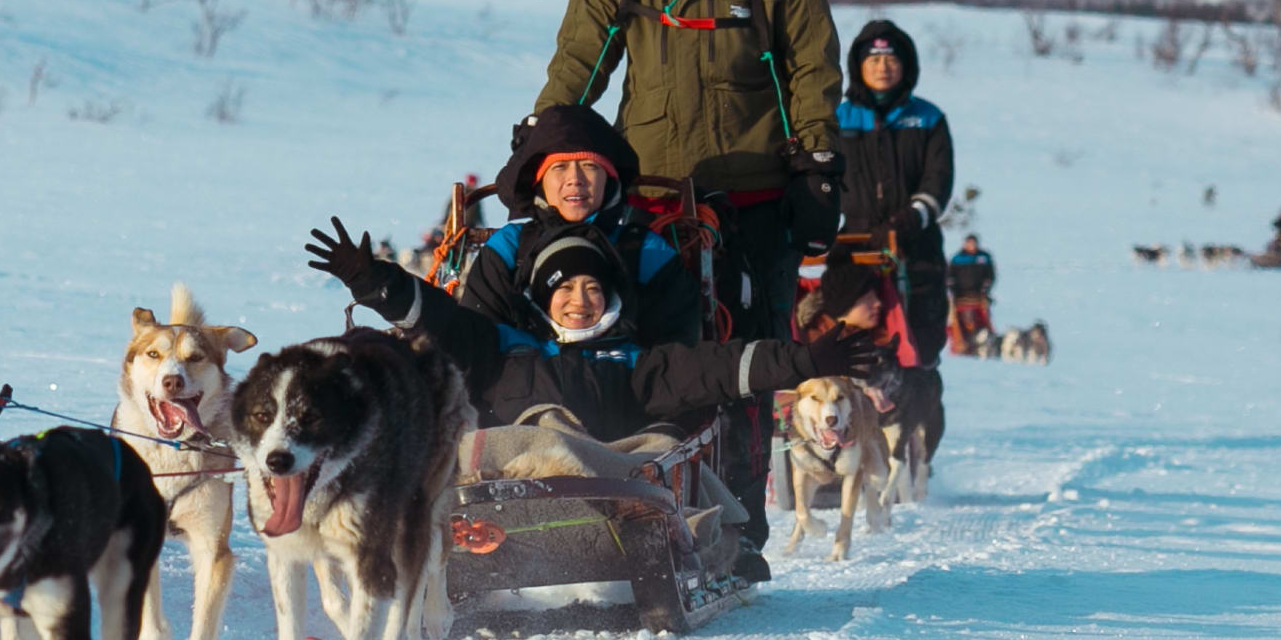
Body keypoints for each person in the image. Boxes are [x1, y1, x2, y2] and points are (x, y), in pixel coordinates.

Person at [533, 0, 842, 572]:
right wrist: (549, 136)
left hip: (754, 189)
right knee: (656, 359)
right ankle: (649, 513)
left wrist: (817, 159)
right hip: (655, 194)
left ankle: (738, 534)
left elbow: (810, 58)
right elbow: (583, 55)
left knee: (748, 359)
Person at [305, 217, 884, 452]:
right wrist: (373, 279)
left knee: (651, 454)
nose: (579, 302)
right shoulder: (505, 349)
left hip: (613, 479)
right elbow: (438, 317)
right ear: (543, 299)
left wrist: (808, 360)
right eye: (564, 290)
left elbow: (722, 365)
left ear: (612, 298)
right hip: (515, 474)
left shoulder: (639, 363)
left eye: (593, 290)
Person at [448, 106, 710, 345]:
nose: (575, 179)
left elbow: (674, 355)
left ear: (608, 180)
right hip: (525, 394)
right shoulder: (509, 249)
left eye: (589, 166)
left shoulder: (648, 253)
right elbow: (479, 345)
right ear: (540, 181)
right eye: (560, 167)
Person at [832, 17, 954, 454]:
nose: (883, 67)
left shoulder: (927, 118)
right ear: (858, 65)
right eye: (873, 58)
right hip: (852, 245)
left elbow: (939, 182)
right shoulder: (838, 117)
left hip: (914, 242)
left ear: (906, 65)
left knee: (919, 342)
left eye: (891, 58)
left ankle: (915, 431)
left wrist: (912, 217)